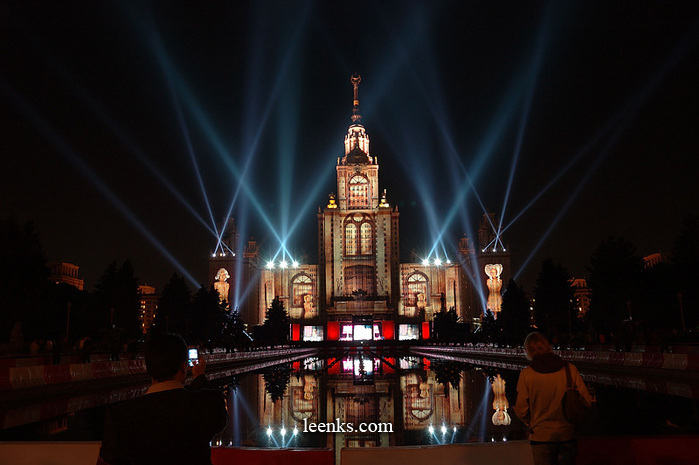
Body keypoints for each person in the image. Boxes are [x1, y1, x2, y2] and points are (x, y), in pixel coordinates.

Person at [97, 334, 228, 465]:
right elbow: (220, 419)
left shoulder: (119, 416)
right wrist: (199, 377)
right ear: (184, 366)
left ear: (147, 367)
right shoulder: (207, 404)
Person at [515, 332, 593, 465]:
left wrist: (532, 423)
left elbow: (521, 408)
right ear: (548, 346)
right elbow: (586, 400)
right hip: (567, 434)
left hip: (540, 437)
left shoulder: (526, 374)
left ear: (528, 351)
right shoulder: (569, 370)